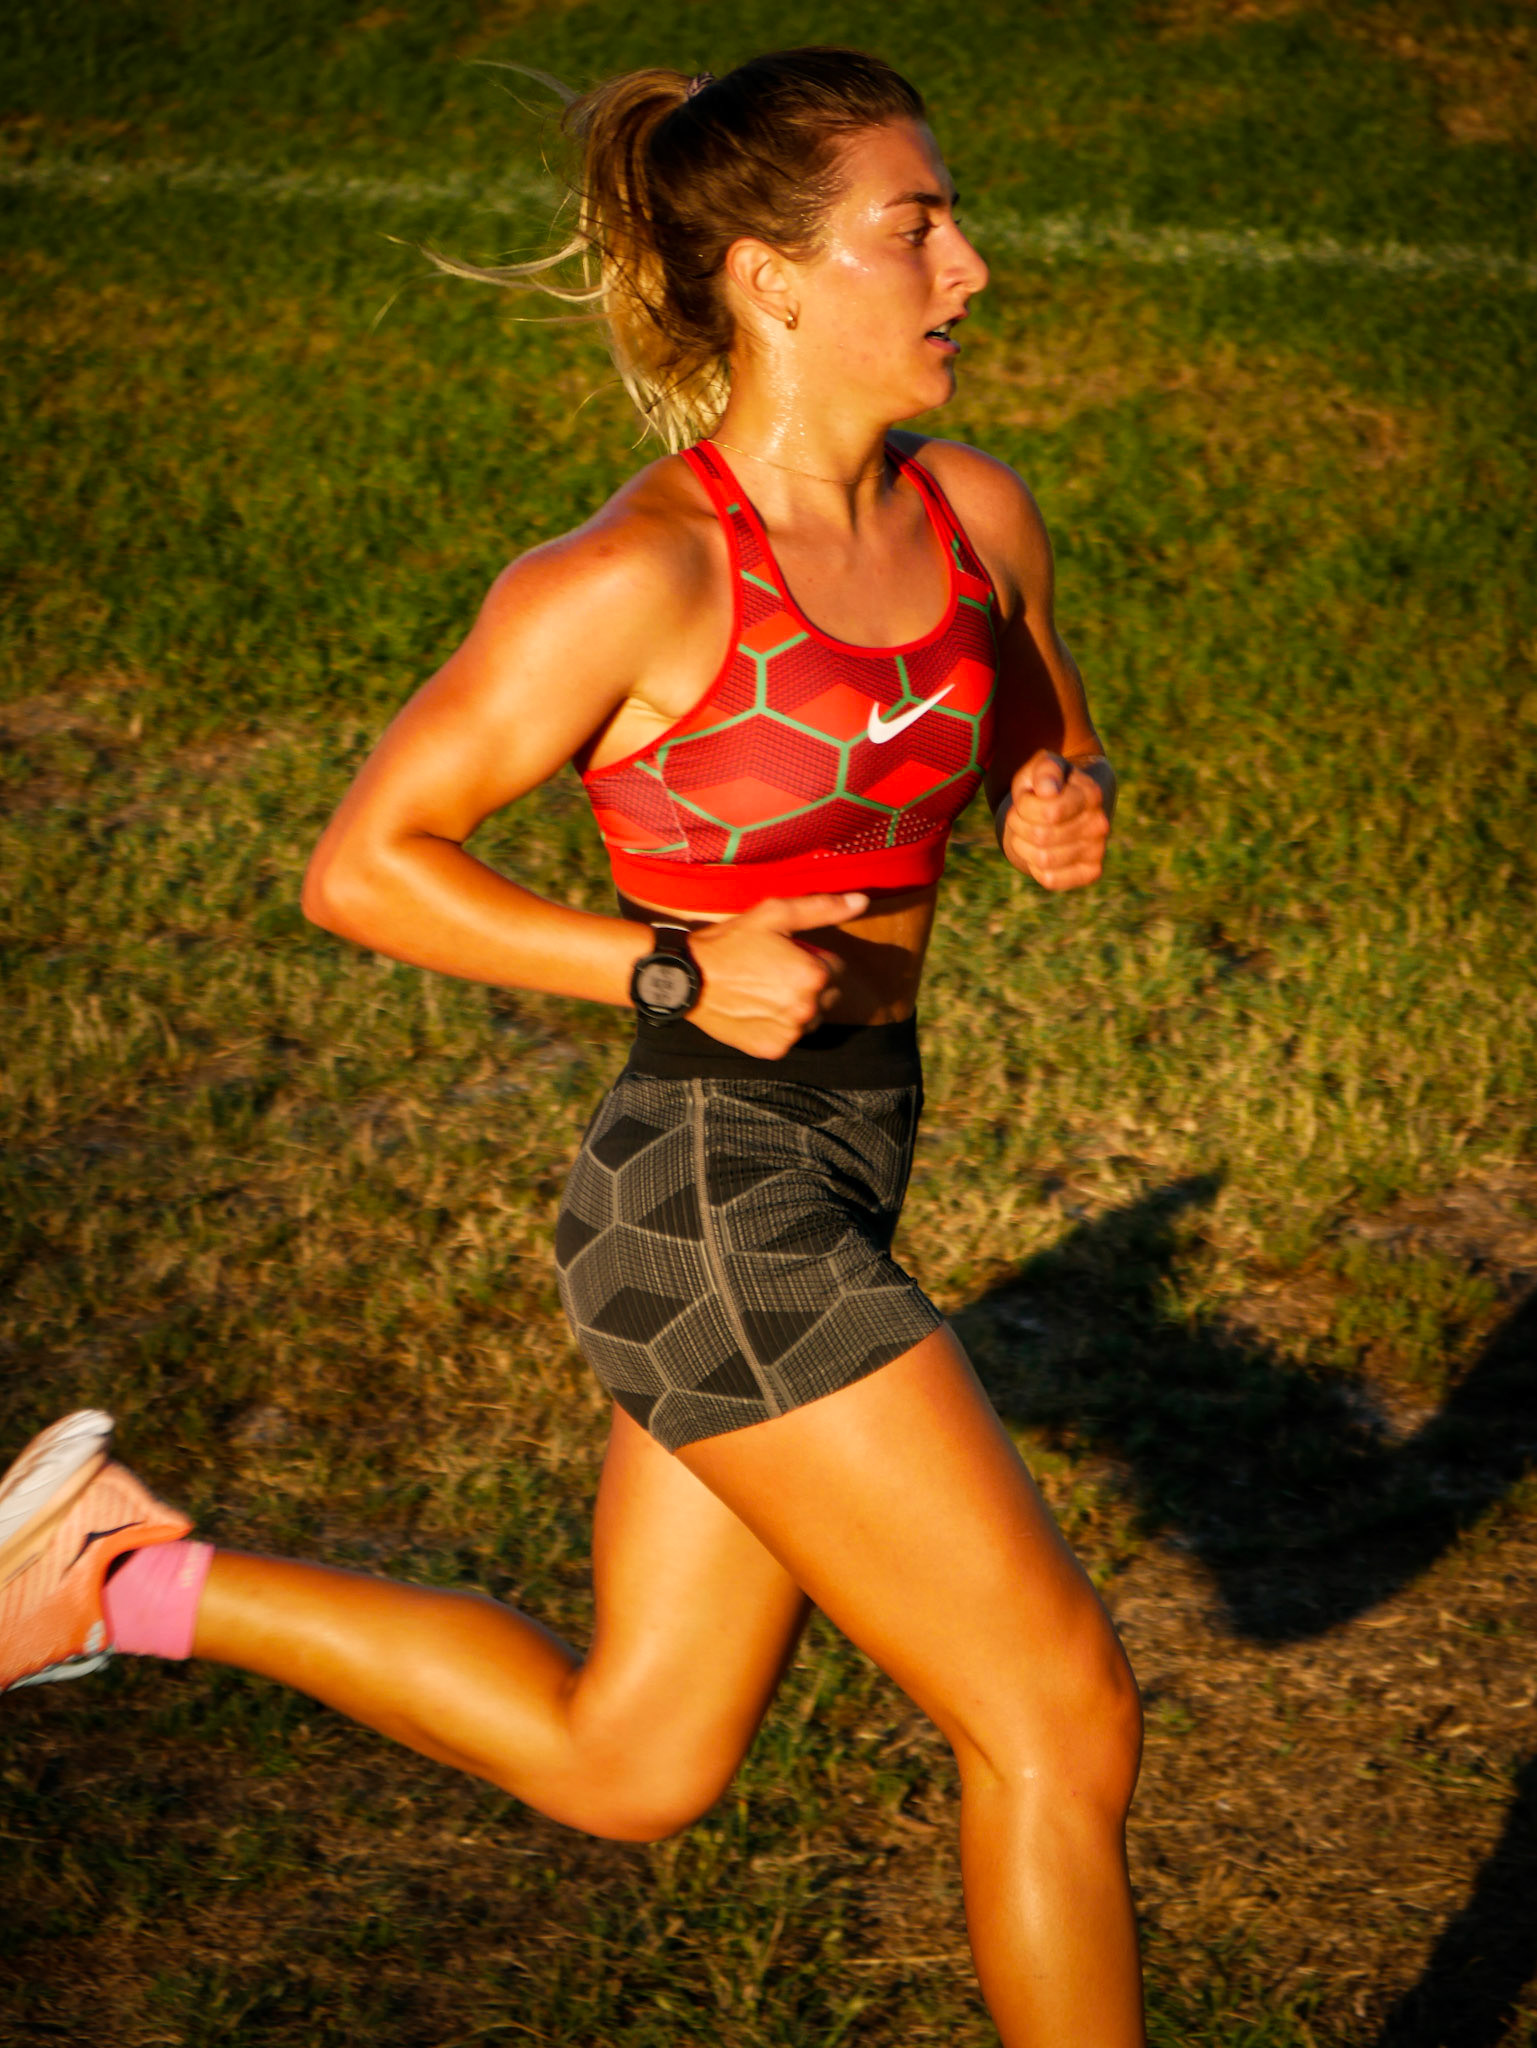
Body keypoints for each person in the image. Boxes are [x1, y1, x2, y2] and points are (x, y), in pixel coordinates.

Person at [0, 48, 1142, 2044]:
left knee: (634, 1758)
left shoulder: (973, 515)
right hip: (709, 1196)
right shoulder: (631, 579)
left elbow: (1037, 728)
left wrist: (1059, 795)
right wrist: (669, 967)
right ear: (771, 282)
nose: (967, 262)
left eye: (949, 213)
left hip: (835, 1157)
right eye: (914, 225)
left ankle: (111, 1587)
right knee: (1055, 1716)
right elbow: (364, 868)